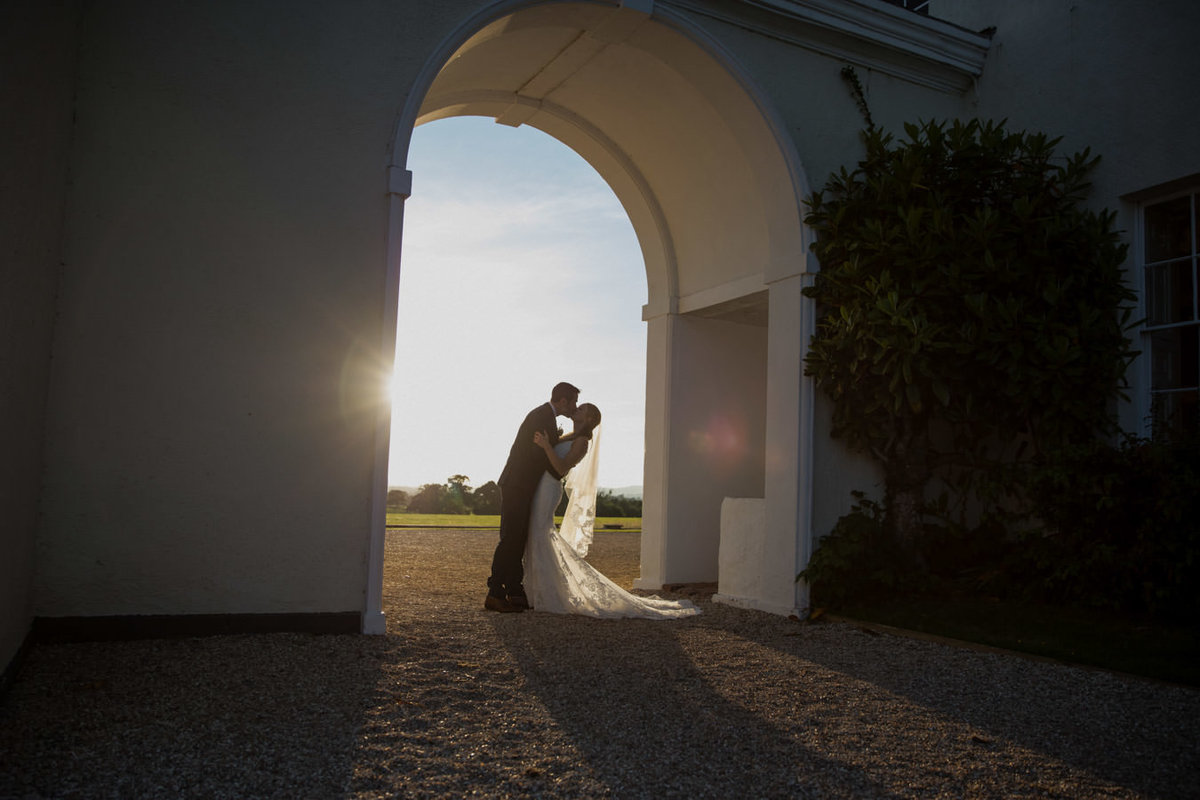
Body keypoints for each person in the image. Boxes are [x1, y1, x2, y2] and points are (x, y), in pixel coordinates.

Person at [523, 402, 699, 619]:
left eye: (582, 409)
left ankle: (548, 594)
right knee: (536, 534)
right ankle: (536, 591)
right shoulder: (570, 436)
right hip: (541, 486)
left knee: (542, 533)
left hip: (550, 488)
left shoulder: (582, 442)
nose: (576, 409)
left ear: (588, 419)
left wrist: (546, 445)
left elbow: (561, 468)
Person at [485, 382, 579, 613]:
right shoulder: (541, 415)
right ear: (563, 401)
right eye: (573, 402)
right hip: (517, 484)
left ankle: (515, 591)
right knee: (510, 539)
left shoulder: (546, 416)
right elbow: (538, 456)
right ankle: (494, 593)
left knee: (518, 539)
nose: (574, 407)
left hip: (524, 486)